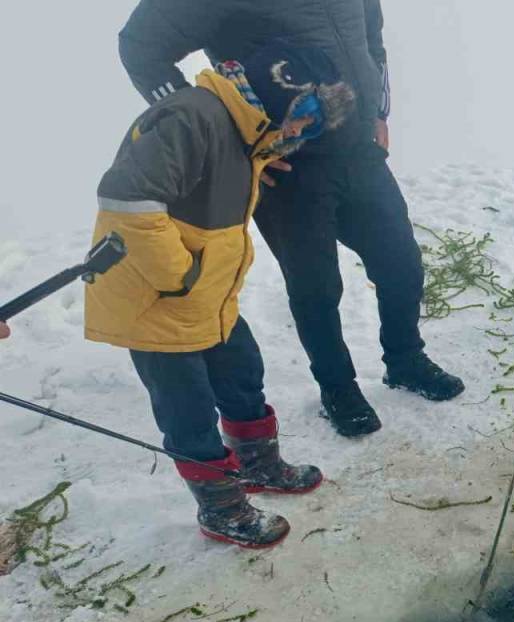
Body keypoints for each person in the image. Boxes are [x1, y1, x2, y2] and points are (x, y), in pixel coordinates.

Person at [118, 0, 464, 438]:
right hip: (288, 170)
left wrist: (378, 110)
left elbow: (370, 34)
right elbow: (140, 47)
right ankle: (337, 388)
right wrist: (226, 137)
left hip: (359, 153)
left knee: (401, 265)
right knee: (316, 288)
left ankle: (406, 360)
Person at [84, 44, 355, 548]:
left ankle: (257, 464)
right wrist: (180, 276)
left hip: (205, 290)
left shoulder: (244, 127)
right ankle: (220, 507)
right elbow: (126, 195)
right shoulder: (194, 115)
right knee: (186, 407)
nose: (300, 131)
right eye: (306, 115)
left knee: (241, 370)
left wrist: (198, 279)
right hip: (157, 297)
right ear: (281, 90)